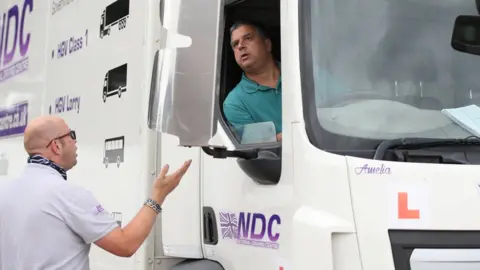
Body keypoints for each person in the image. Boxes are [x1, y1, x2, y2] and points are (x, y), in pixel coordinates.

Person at [0, 115, 192, 270]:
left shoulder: (6, 190)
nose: (75, 142)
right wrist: (158, 196)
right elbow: (125, 245)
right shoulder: (66, 194)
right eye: (71, 135)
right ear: (56, 146)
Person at [223, 21, 282, 142]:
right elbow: (261, 147)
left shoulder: (306, 73)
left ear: (267, 45)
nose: (240, 46)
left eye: (247, 38)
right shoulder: (234, 102)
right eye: (235, 44)